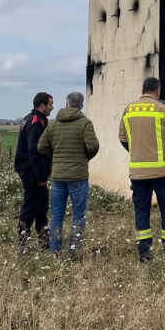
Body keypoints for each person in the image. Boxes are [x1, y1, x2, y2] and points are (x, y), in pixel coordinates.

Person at [118, 76, 165, 262]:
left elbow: (122, 138)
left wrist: (137, 153)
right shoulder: (164, 107)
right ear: (158, 92)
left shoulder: (128, 109)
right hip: (163, 172)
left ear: (142, 91)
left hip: (138, 173)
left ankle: (144, 255)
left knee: (141, 212)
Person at [37, 91, 99, 258]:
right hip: (78, 176)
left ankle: (55, 252)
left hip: (58, 176)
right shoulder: (86, 123)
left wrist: (56, 156)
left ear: (66, 104)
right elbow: (93, 146)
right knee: (78, 214)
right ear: (81, 106)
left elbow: (41, 147)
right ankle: (74, 251)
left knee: (56, 215)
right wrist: (84, 157)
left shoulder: (53, 124)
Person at [14, 92, 54, 248]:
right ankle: (22, 243)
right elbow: (34, 151)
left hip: (33, 170)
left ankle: (44, 242)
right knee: (30, 207)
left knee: (41, 205)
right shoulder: (36, 122)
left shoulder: (31, 119)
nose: (52, 107)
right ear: (41, 106)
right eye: (50, 104)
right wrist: (41, 176)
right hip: (32, 172)